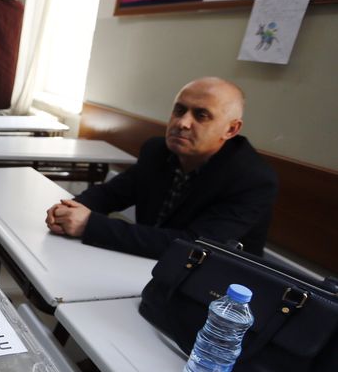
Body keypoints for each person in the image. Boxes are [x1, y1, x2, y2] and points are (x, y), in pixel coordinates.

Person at [45, 77, 277, 258]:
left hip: (211, 292)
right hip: (145, 264)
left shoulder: (253, 180)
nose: (182, 123)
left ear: (231, 130)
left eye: (201, 115)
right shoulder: (157, 151)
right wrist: (70, 208)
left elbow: (193, 245)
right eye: (179, 110)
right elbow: (111, 194)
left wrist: (88, 224)